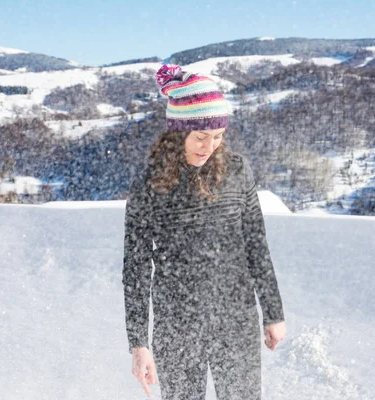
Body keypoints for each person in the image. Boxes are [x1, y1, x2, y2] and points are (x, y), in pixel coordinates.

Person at [122, 64, 286, 399]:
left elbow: (256, 244)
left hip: (235, 318)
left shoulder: (237, 171)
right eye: (199, 137)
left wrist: (273, 313)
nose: (209, 146)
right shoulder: (149, 184)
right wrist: (138, 344)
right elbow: (136, 268)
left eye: (217, 137)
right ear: (177, 133)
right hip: (175, 324)